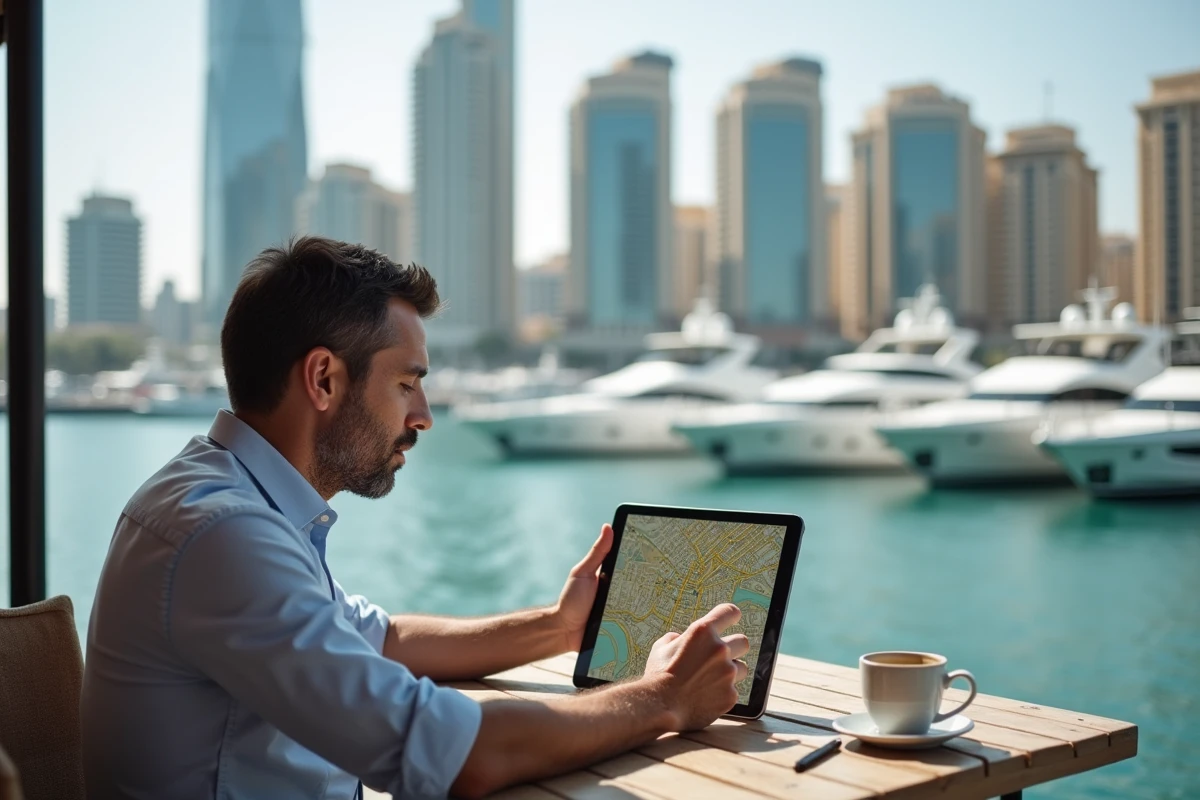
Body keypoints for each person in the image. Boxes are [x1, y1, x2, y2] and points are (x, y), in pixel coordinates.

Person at [81, 236, 749, 800]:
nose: (424, 415)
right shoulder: (223, 535)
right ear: (323, 380)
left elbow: (385, 642)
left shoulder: (231, 497)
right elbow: (461, 756)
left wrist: (557, 627)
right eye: (406, 383)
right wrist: (665, 698)